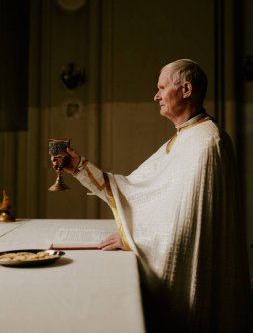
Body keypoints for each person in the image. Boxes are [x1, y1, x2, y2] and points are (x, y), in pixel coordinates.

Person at [52, 59, 252, 332]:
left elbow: (190, 227)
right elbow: (137, 190)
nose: (156, 96)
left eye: (161, 88)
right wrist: (79, 167)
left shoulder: (208, 142)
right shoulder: (185, 137)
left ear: (186, 89)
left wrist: (135, 240)